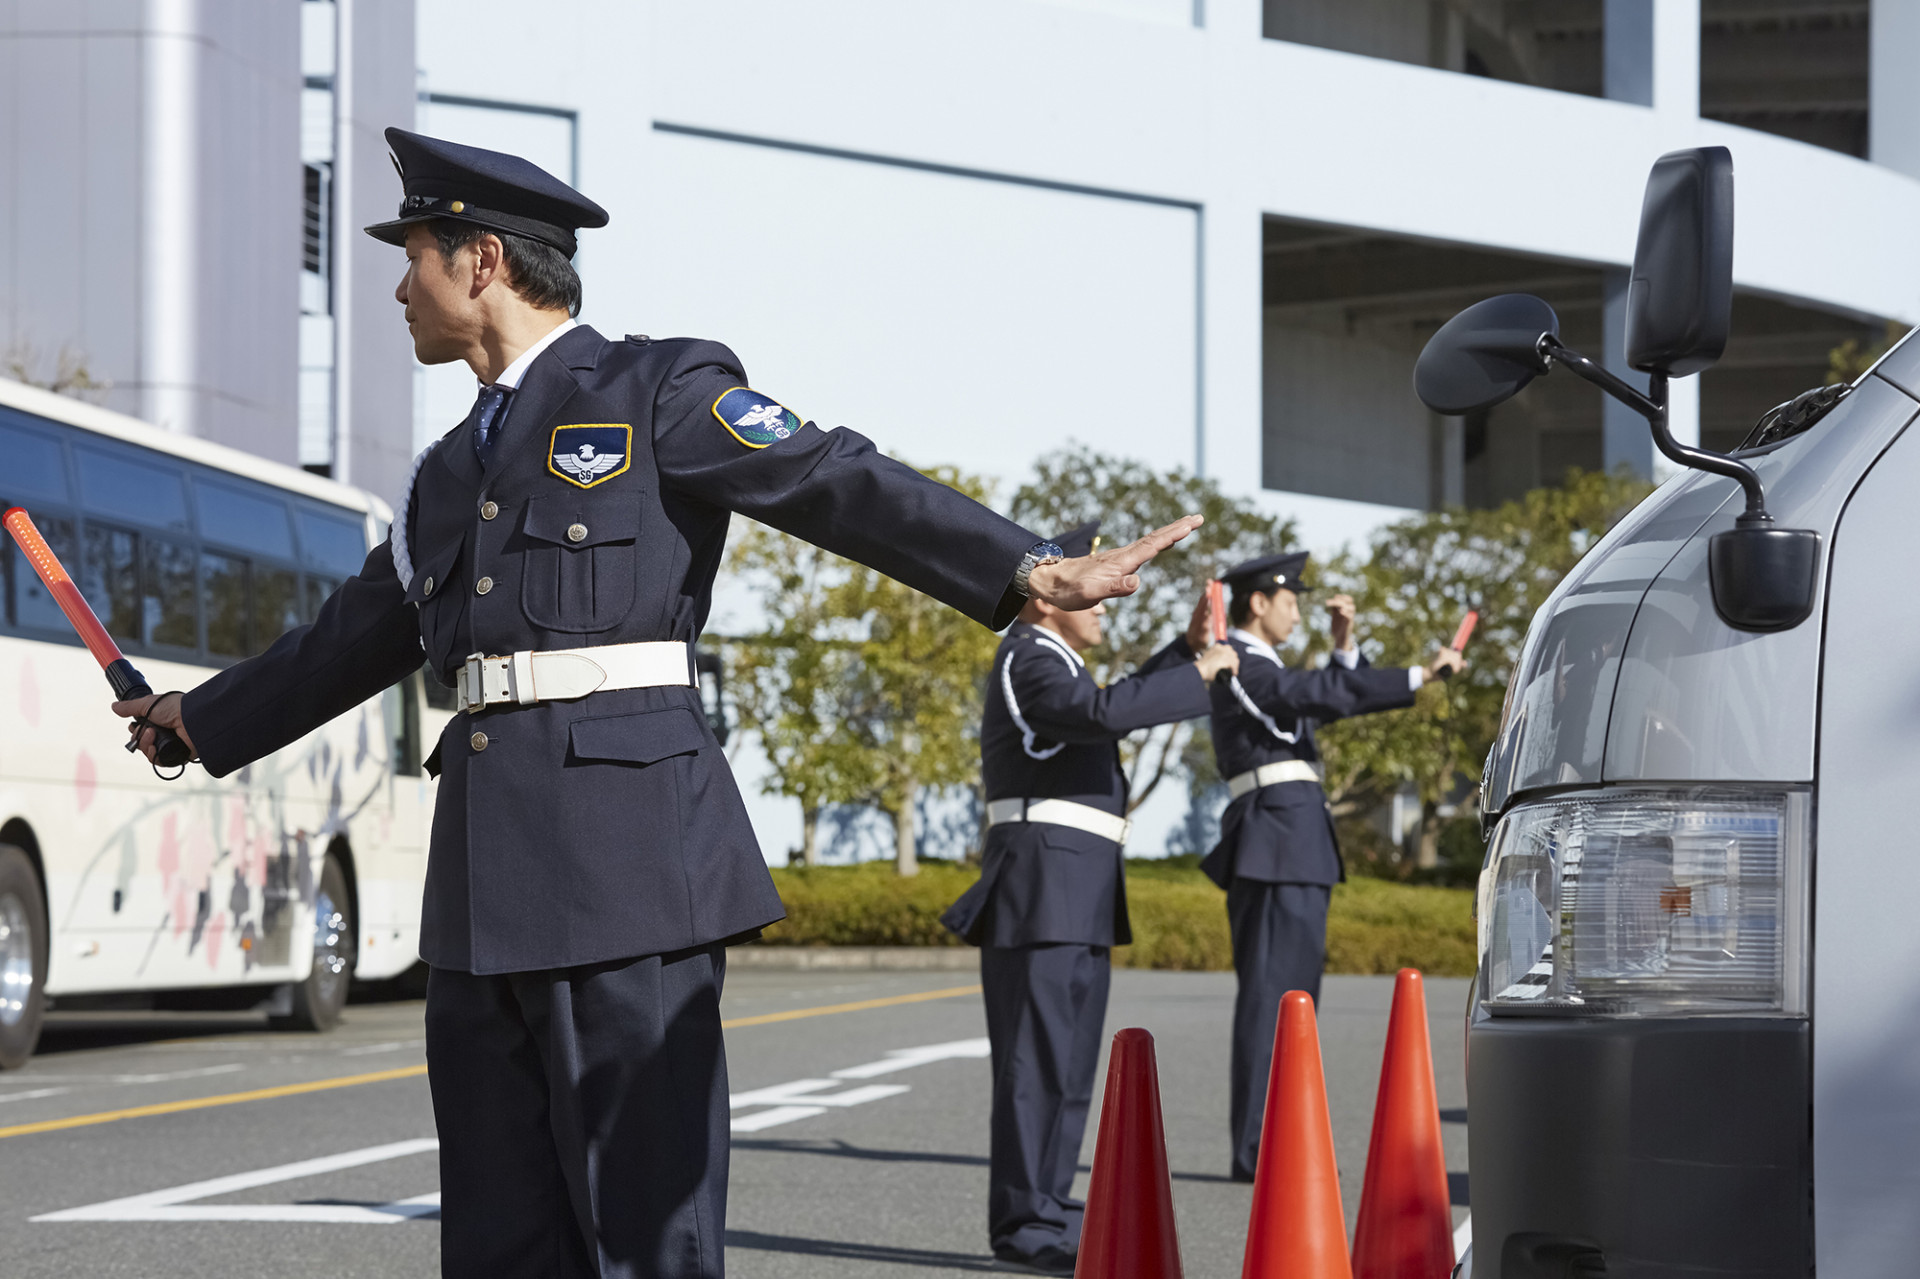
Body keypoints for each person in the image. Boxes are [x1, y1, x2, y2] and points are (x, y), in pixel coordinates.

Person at [114, 129, 1209, 1279]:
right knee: (495, 1236)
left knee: (647, 1229)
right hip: (484, 888)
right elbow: (352, 636)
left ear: (480, 259)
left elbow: (831, 477)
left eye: (415, 256)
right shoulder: (445, 473)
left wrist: (1027, 570)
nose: (398, 285)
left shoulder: (657, 391)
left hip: (627, 867)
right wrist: (208, 717)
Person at [941, 521, 1239, 1275]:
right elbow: (1101, 713)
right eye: (1096, 589)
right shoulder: (1029, 656)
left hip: (1072, 882)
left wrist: (1182, 649)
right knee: (1035, 1064)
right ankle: (1023, 1219)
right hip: (1041, 882)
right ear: (1047, 599)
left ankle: (1048, 1202)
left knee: (1070, 1064)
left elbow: (1105, 704)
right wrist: (1197, 670)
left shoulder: (1057, 659)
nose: (1108, 604)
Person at [1200, 551, 1462, 1182]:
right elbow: (1311, 696)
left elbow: (1325, 692)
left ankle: (1280, 1140)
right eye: (1290, 602)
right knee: (1272, 1000)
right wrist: (1418, 675)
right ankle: (1259, 1149)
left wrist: (1347, 648)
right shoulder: (1238, 664)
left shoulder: (1264, 665)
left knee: (1297, 999)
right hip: (1273, 839)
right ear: (1258, 604)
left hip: (1294, 838)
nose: (1298, 613)